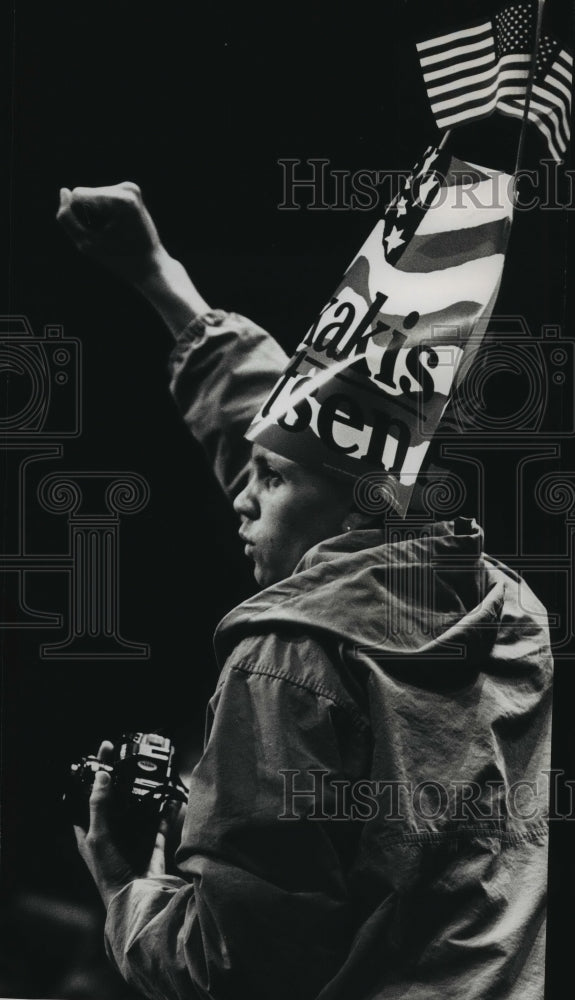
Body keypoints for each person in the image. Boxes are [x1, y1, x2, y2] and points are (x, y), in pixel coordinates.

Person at [57, 182, 553, 1000]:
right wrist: (157, 274)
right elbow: (290, 442)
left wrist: (121, 885)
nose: (242, 496)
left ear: (357, 507)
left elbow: (234, 967)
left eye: (268, 479)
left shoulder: (289, 659)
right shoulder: (511, 616)